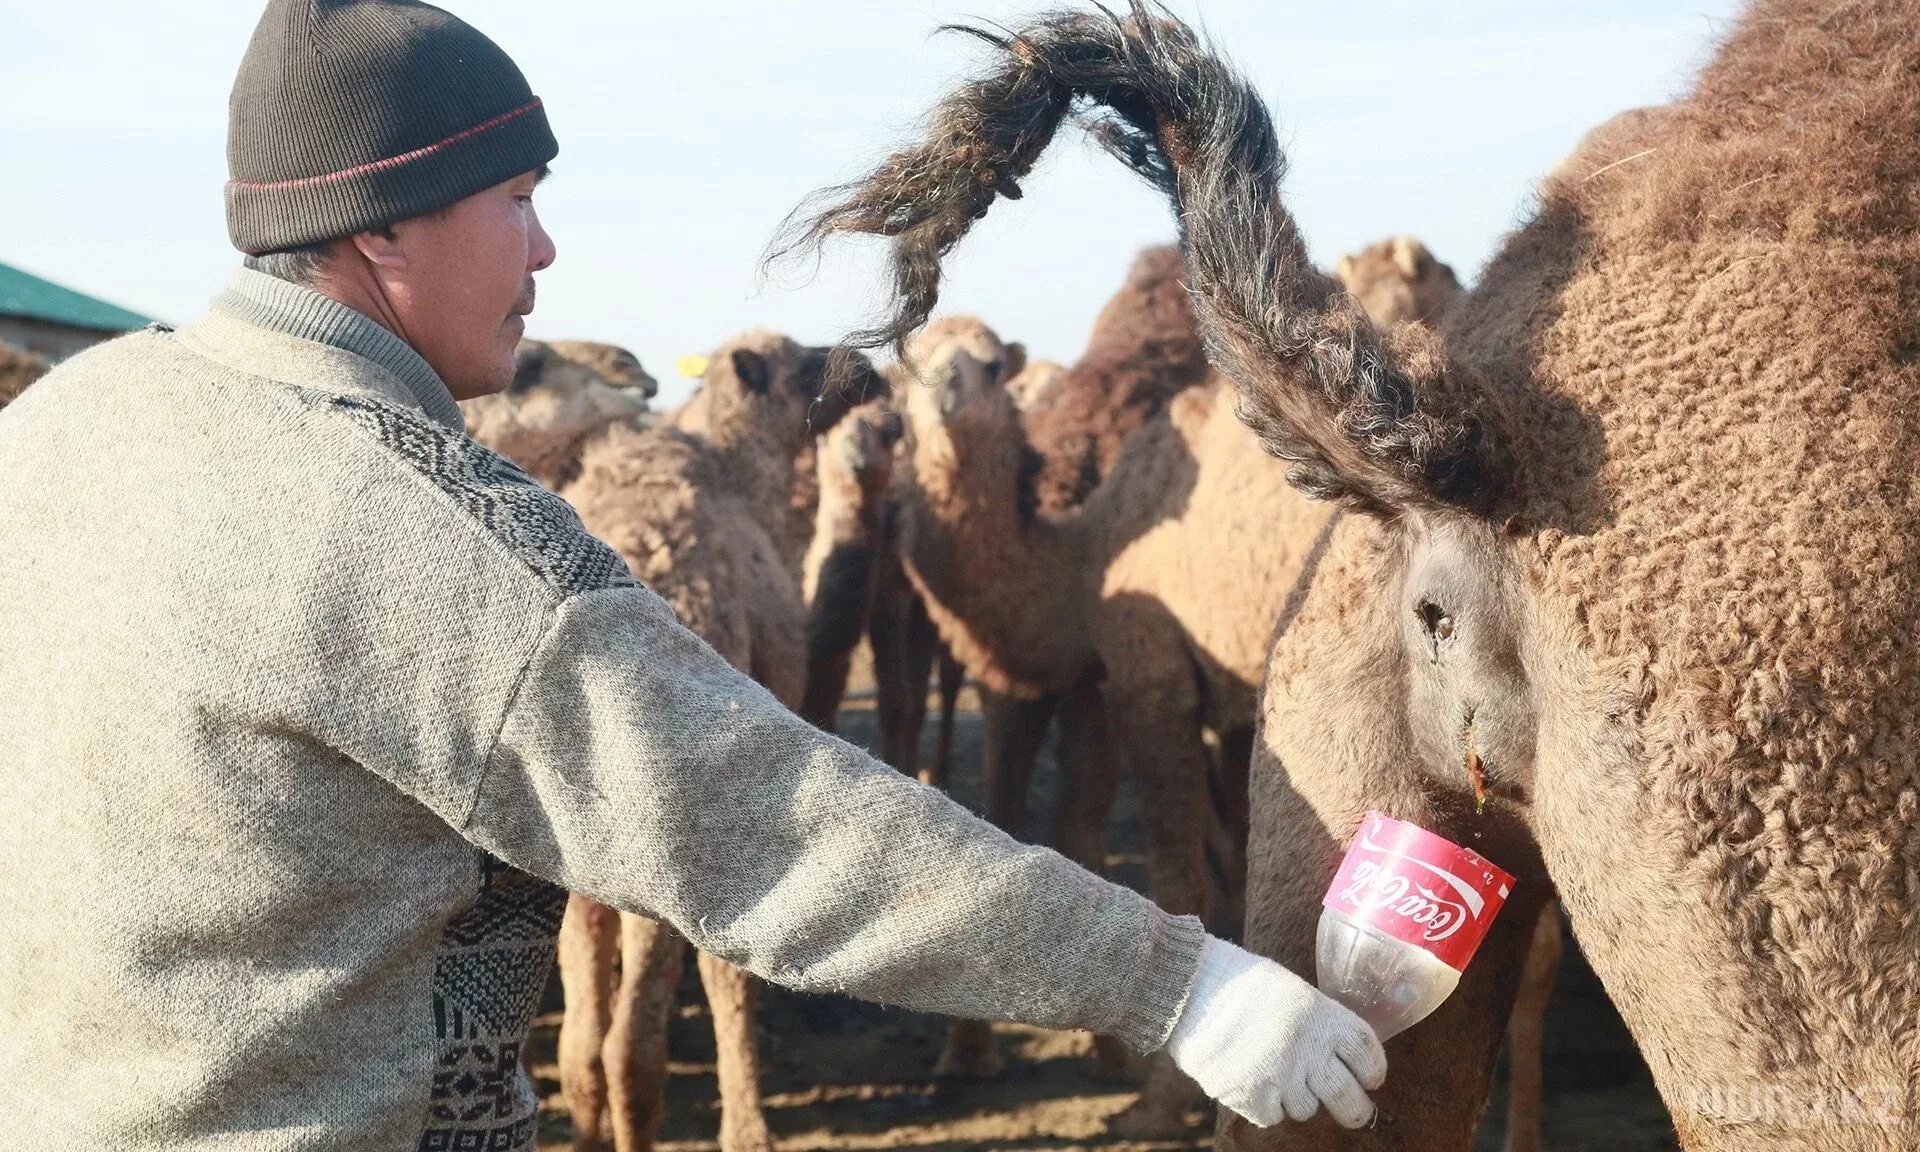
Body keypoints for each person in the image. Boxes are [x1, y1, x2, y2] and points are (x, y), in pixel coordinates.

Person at [0, 2, 1387, 1148]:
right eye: (519, 201)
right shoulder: (429, 534)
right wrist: (1182, 985)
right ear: (383, 228)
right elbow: (764, 821)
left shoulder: (60, 425)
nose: (545, 252)